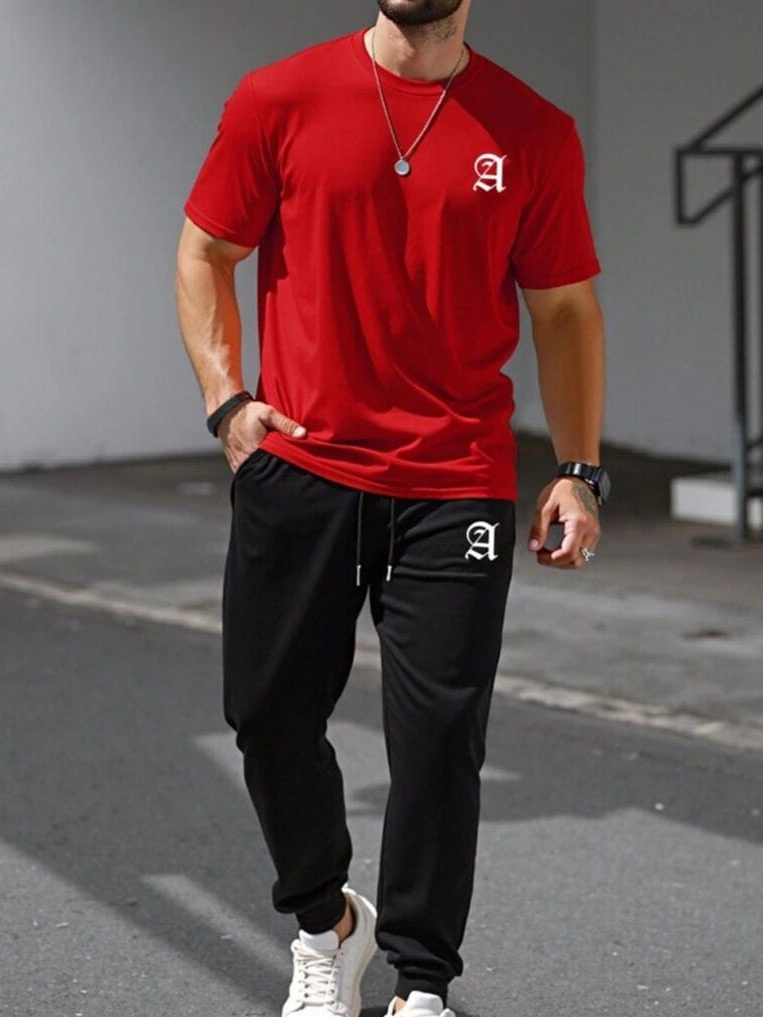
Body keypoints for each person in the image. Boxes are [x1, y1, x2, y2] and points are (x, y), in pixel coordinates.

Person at [175, 2, 609, 1015]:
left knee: (439, 738)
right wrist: (227, 401)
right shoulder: (279, 98)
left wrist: (580, 469)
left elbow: (565, 309)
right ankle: (326, 923)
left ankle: (422, 980)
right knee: (267, 717)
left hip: (456, 479)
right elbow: (205, 250)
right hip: (301, 464)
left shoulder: (533, 130)